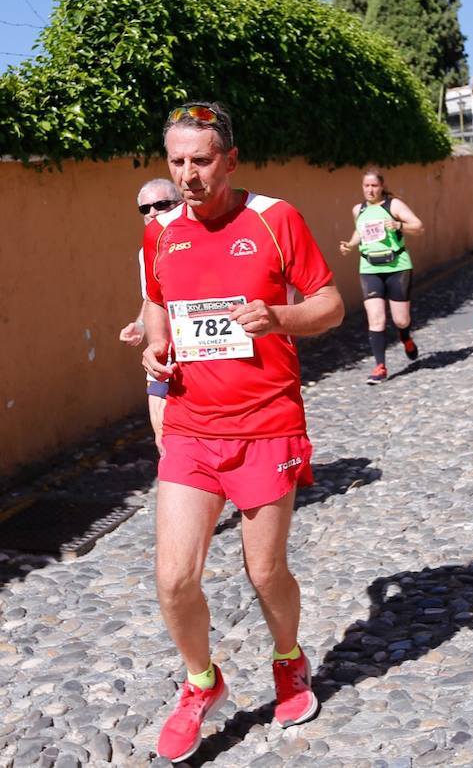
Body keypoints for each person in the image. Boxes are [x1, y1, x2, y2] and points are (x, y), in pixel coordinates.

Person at [141, 102, 344, 762]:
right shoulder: (161, 232)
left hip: (267, 426)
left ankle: (288, 658)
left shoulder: (275, 218)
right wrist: (155, 345)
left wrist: (279, 317)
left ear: (230, 159)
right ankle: (202, 682)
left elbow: (330, 304)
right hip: (192, 426)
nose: (189, 175)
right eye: (177, 162)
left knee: (265, 570)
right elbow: (155, 305)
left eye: (201, 161)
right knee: (174, 577)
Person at [339, 170, 424, 384]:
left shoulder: (393, 205)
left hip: (397, 267)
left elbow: (419, 226)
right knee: (376, 318)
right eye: (366, 186)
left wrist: (398, 225)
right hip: (369, 268)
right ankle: (380, 367)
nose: (370, 190)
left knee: (401, 319)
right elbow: (359, 231)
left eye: (374, 186)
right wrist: (350, 245)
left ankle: (405, 337)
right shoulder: (358, 210)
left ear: (382, 186)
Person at [119, 178, 181, 452]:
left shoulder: (207, 242)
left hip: (205, 355)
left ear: (181, 204)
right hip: (162, 355)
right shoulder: (148, 252)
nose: (153, 213)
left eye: (162, 205)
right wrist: (141, 324)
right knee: (162, 431)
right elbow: (152, 297)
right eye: (145, 209)